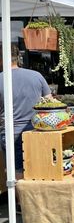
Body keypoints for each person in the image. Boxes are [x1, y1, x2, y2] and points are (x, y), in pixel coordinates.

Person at [0, 44, 52, 179]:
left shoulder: (1, 78)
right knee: (39, 168)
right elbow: (50, 104)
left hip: (12, 133)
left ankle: (20, 200)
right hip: (37, 131)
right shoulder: (36, 76)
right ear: (18, 58)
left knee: (16, 172)